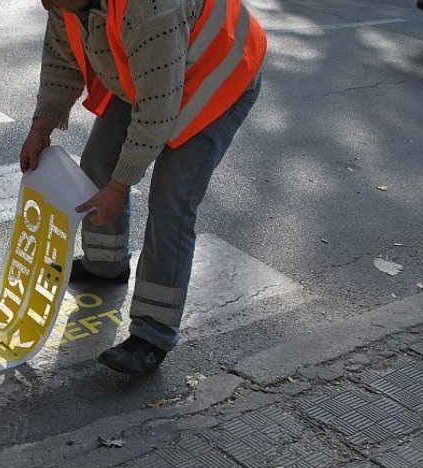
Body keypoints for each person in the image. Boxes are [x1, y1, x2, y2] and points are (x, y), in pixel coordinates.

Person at [20, 0, 266, 375]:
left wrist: (119, 188)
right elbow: (61, 58)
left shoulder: (152, 7)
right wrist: (41, 126)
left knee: (173, 200)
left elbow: (156, 113)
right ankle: (106, 265)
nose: (44, 2)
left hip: (218, 73)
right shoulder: (63, 2)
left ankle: (153, 333)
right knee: (99, 163)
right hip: (152, 70)